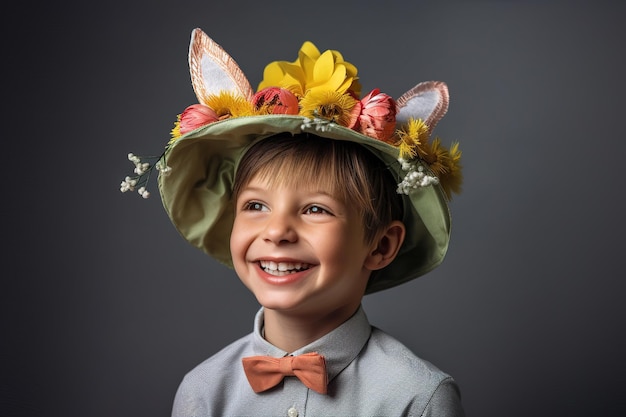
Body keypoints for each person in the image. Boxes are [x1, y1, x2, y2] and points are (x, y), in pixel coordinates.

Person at [121, 28, 465, 416]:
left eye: (315, 209)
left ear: (381, 245)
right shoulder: (202, 392)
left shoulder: (417, 397)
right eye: (255, 206)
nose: (276, 232)